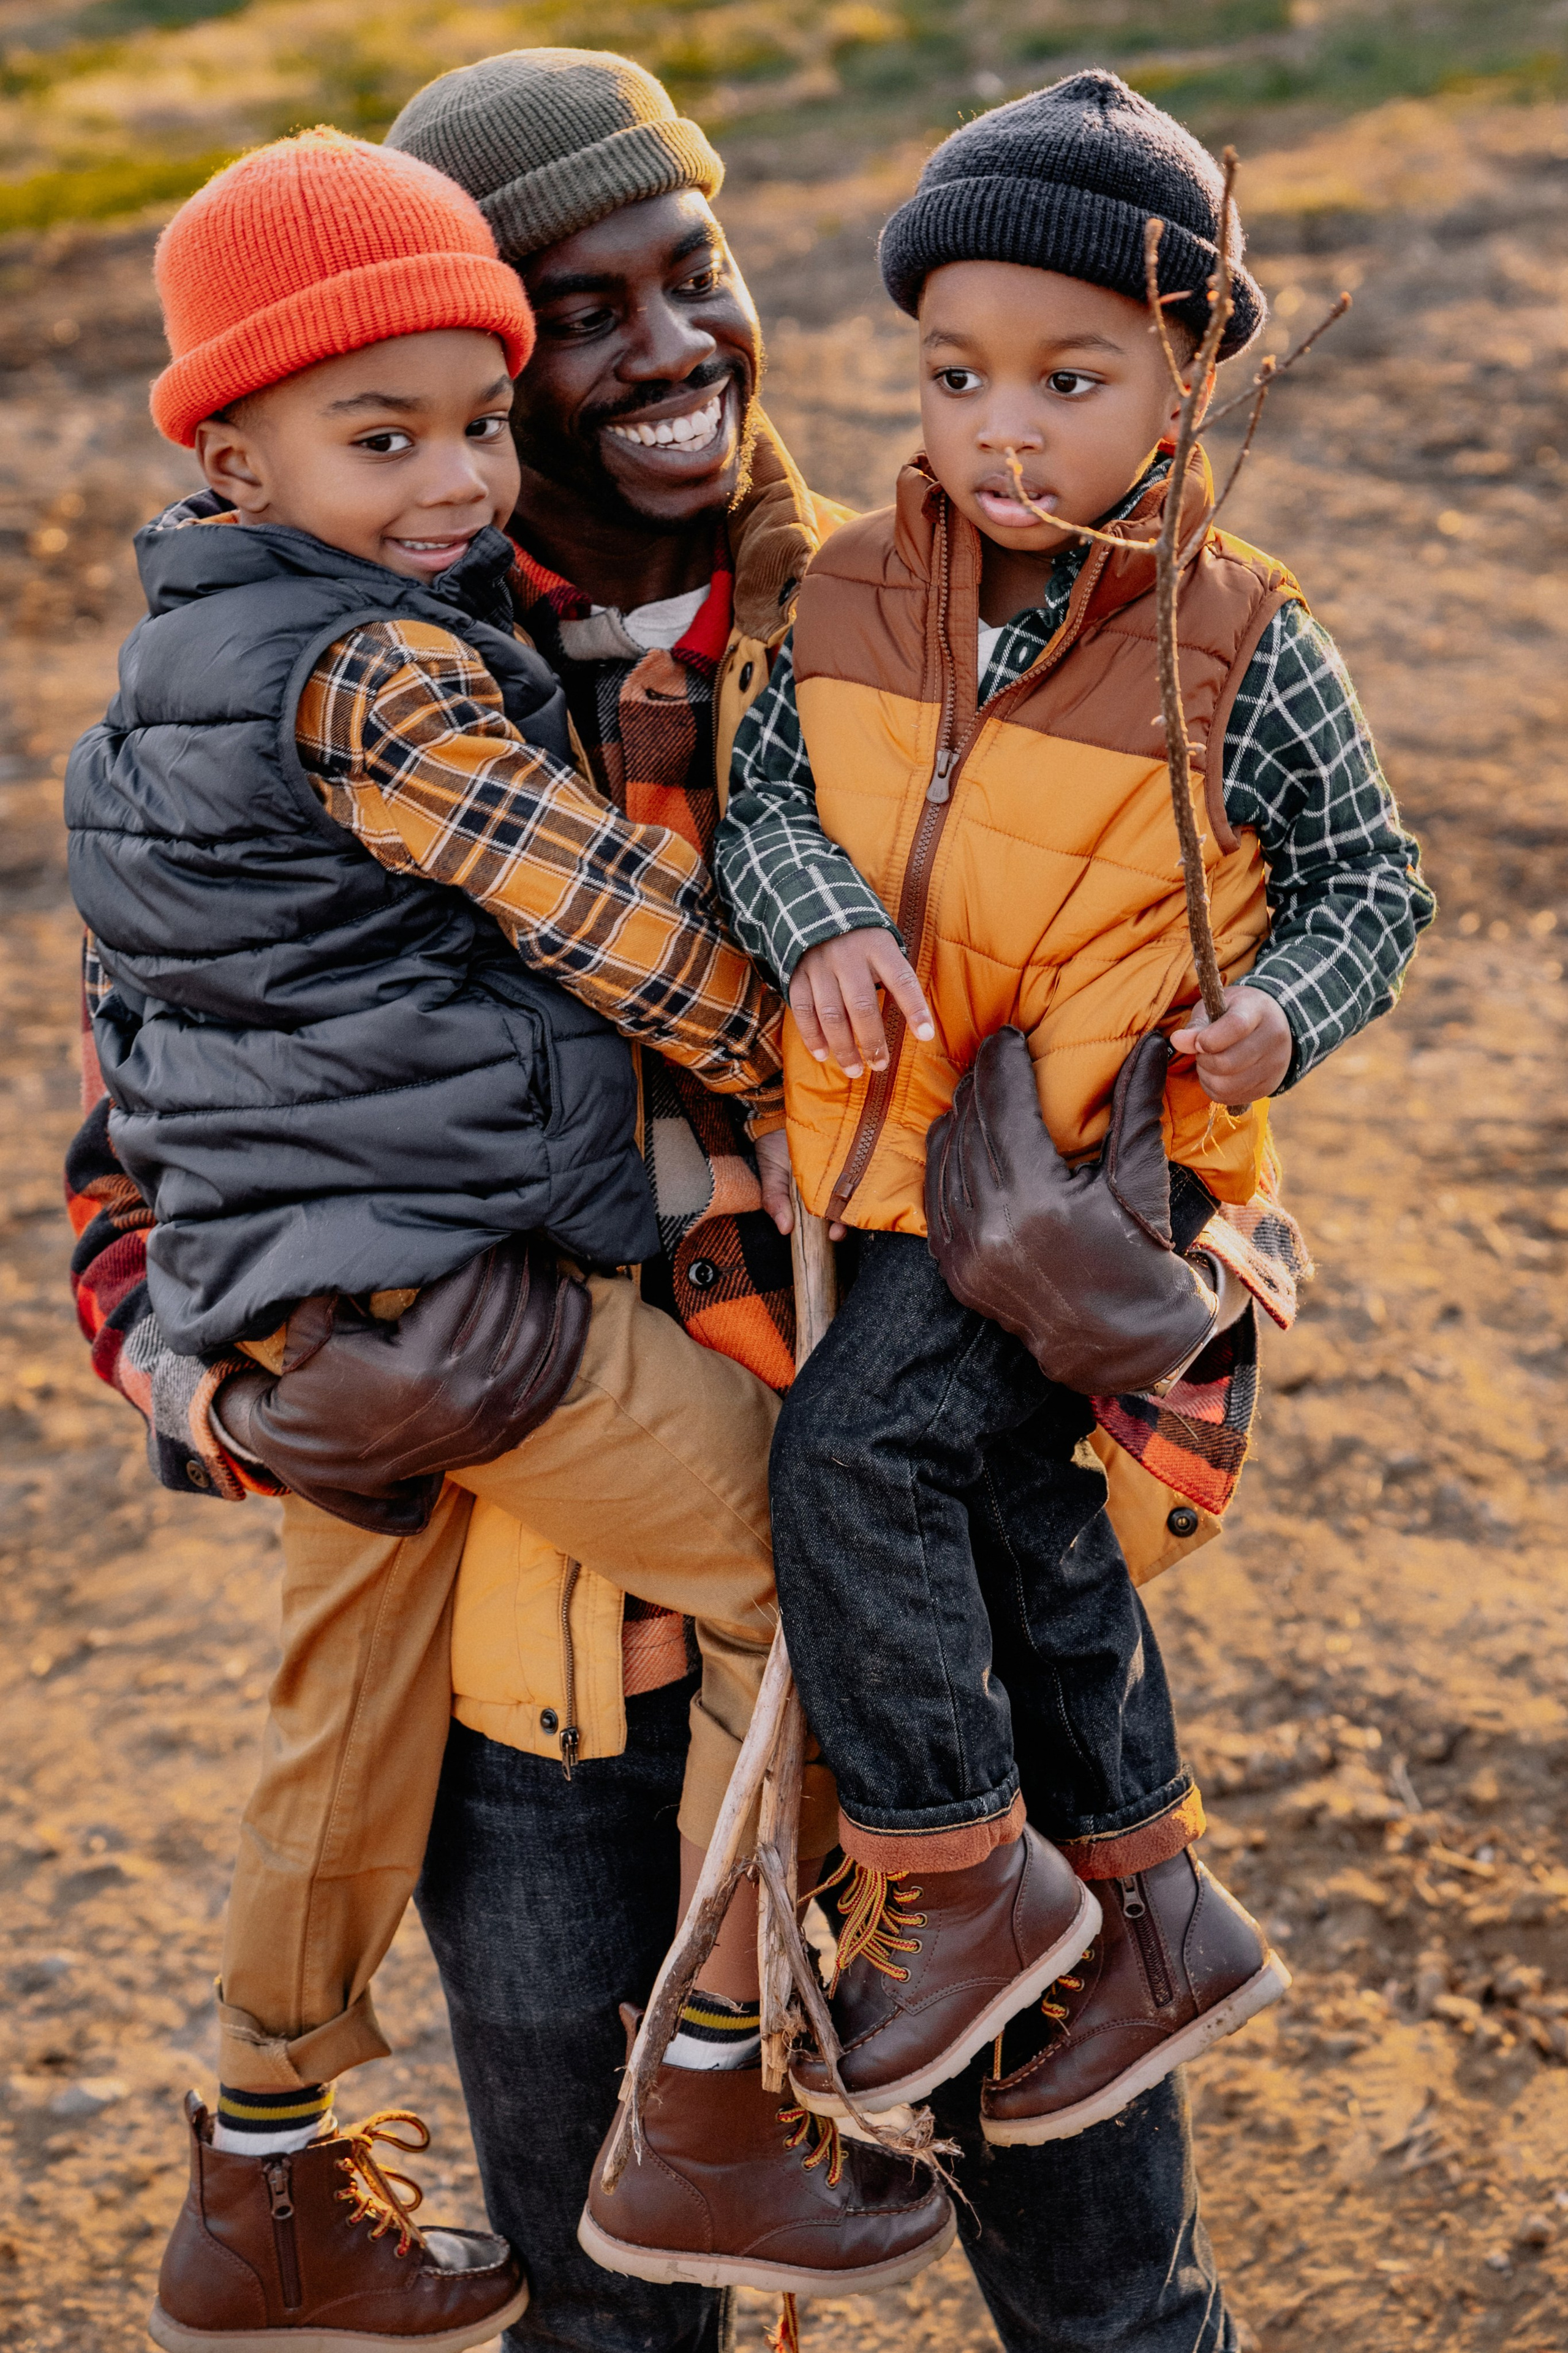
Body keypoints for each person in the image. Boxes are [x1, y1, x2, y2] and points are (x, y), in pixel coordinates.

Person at [65, 50, 1286, 2351]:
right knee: (615, 2303)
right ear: (454, 363)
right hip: (539, 1684)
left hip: (945, 1662)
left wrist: (1159, 1287)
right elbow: (152, 1117)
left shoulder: (915, 623)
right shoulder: (381, 667)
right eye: (573, 313)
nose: (663, 351)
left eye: (690, 274)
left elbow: (1168, 1033)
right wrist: (209, 1378)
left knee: (1109, 2296)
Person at [713, 68, 1434, 2145]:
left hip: (1092, 1184)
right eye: (955, 374)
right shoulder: (849, 587)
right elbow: (769, 804)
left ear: (1195, 376)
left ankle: (960, 1880)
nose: (1001, 430)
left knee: (854, 1458)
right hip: (894, 1149)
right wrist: (825, 920)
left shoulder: (1245, 641)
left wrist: (1280, 1014)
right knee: (1019, 1509)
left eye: (1071, 375)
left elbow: (1376, 881)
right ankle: (1154, 1897)